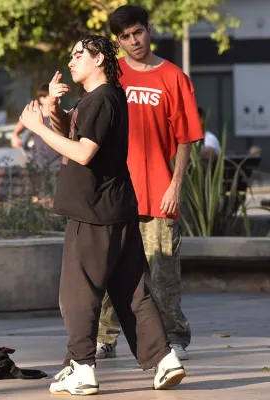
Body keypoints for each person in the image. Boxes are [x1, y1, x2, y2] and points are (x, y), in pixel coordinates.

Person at [20, 34, 185, 396]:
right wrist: (54, 111)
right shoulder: (101, 99)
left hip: (94, 212)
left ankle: (82, 368)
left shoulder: (102, 98)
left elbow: (82, 153)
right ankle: (164, 360)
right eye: (71, 52)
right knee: (131, 291)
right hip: (115, 208)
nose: (71, 59)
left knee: (77, 293)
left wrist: (37, 129)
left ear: (98, 59)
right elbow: (80, 135)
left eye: (79, 53)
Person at [89, 5, 203, 362]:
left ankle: (174, 338)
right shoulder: (110, 75)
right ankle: (105, 336)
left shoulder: (173, 77)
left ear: (148, 30)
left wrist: (175, 186)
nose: (133, 41)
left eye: (137, 32)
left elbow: (185, 138)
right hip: (115, 193)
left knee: (164, 272)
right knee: (108, 268)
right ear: (118, 40)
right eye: (124, 37)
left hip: (158, 191)